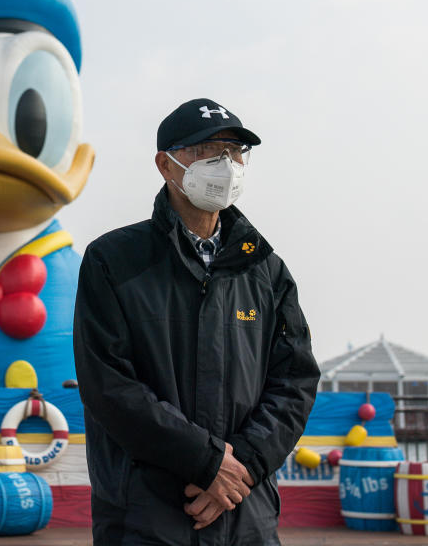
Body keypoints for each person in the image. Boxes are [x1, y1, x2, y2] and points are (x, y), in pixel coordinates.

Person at [73, 98, 321, 545]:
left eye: (235, 151)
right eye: (207, 149)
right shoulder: (114, 261)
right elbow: (109, 385)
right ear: (166, 165)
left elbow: (295, 382)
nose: (225, 164)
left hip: (246, 516)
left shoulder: (266, 270)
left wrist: (239, 466)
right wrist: (207, 463)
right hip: (146, 518)